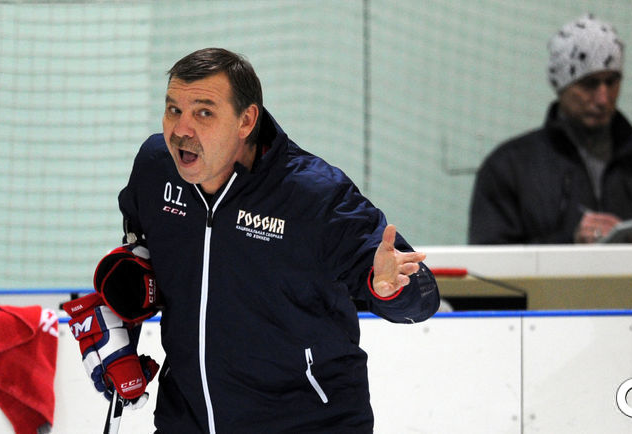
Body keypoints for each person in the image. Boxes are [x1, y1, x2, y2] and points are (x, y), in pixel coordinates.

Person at [70, 48, 440, 433]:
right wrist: (118, 318)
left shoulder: (313, 196)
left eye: (203, 113)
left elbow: (421, 299)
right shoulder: (155, 168)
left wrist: (391, 288)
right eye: (173, 109)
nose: (181, 129)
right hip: (185, 421)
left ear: (246, 120)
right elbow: (143, 254)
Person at [469, 14, 632, 244]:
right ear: (561, 86)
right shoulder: (508, 167)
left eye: (612, 81)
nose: (603, 98)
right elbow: (490, 257)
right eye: (589, 84)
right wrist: (570, 244)